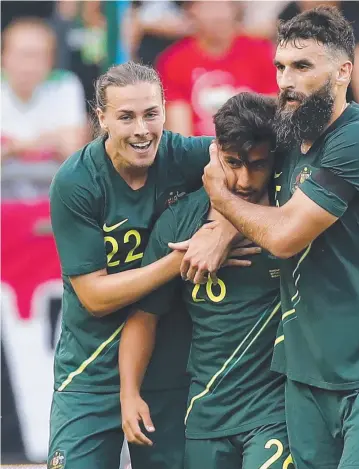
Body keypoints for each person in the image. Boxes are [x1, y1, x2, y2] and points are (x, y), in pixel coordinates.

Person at [200, 8, 359, 469]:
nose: (287, 80)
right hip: (305, 374)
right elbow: (211, 152)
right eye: (280, 67)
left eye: (303, 67)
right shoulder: (283, 130)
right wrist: (220, 226)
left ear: (344, 72)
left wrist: (221, 203)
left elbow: (284, 237)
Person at [48, 61, 253, 469]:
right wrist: (187, 256)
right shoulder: (76, 182)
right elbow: (94, 296)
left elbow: (262, 162)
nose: (142, 130)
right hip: (89, 371)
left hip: (167, 370)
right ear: (101, 118)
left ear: (165, 109)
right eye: (126, 117)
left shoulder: (188, 154)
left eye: (151, 113)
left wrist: (225, 229)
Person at [119, 92, 291, 469]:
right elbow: (144, 316)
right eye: (233, 163)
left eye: (258, 166)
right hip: (207, 410)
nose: (244, 179)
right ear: (214, 153)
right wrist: (129, 394)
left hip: (275, 410)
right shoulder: (180, 221)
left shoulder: (293, 213)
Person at [155, 0, 277, 136]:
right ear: (190, 10)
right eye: (208, 6)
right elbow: (181, 134)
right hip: (201, 151)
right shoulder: (173, 61)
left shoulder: (261, 52)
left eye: (224, 4)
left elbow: (271, 116)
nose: (218, 15)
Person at [1, 17, 87, 199]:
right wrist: (49, 140)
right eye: (23, 55)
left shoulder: (65, 85)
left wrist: (12, 148)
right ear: (4, 57)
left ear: (51, 60)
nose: (29, 66)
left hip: (53, 194)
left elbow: (73, 149)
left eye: (38, 56)